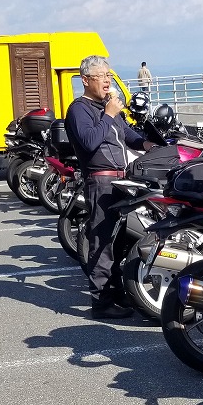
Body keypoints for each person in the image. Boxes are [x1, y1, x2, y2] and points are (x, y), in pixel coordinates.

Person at [65, 55, 153, 320]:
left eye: (109, 75)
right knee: (102, 242)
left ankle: (117, 293)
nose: (107, 80)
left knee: (118, 241)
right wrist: (109, 114)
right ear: (85, 80)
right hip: (100, 180)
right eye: (101, 76)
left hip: (121, 180)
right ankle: (101, 302)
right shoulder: (79, 109)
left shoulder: (106, 107)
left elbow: (127, 134)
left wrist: (148, 145)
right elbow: (90, 141)